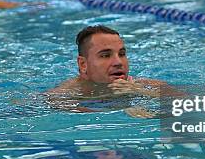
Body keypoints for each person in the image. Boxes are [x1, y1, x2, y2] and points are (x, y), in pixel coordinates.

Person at [47, 25, 179, 116]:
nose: (118, 62)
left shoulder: (140, 85)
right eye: (105, 55)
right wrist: (124, 106)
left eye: (122, 54)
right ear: (83, 65)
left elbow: (190, 102)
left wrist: (140, 92)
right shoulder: (63, 95)